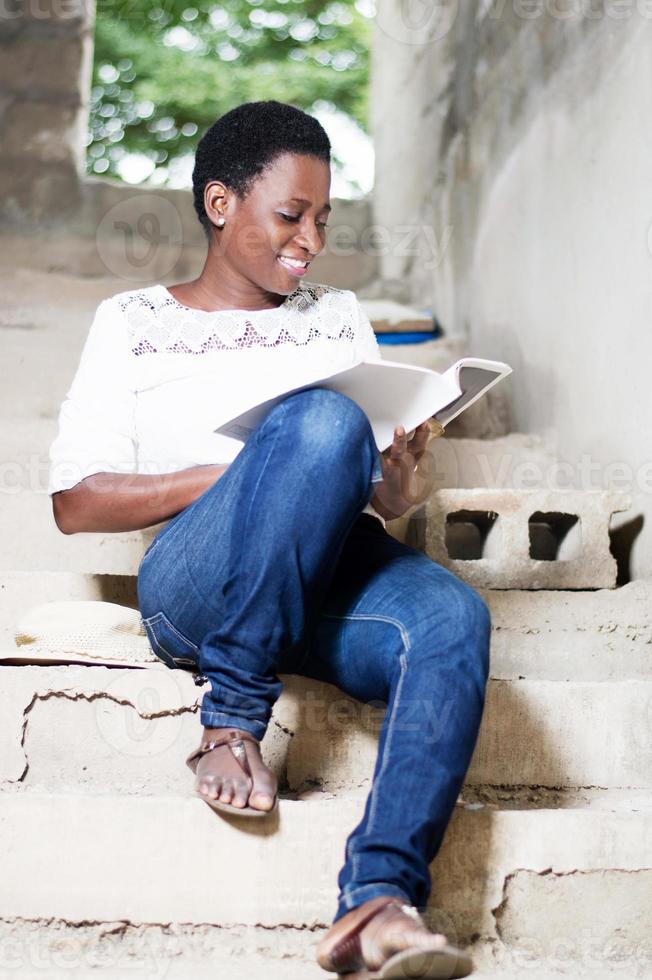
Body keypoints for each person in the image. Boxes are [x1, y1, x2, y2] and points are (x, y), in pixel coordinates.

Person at [48, 100, 491, 979]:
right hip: (199, 586)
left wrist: (395, 480)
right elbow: (76, 502)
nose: (311, 240)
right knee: (320, 421)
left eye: (323, 219)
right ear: (221, 204)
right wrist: (249, 473)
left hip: (326, 568)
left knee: (453, 619)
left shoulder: (337, 315)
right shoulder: (134, 321)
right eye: (291, 215)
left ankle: (379, 899)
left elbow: (373, 494)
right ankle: (232, 717)